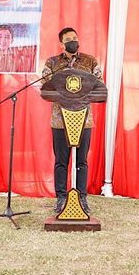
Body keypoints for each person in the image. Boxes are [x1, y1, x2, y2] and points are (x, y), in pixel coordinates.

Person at [41, 27, 103, 214]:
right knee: (61, 160)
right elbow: (45, 87)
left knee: (81, 161)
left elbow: (99, 85)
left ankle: (82, 198)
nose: (73, 41)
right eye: (69, 39)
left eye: (75, 38)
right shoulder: (53, 62)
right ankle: (61, 198)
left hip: (83, 119)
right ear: (62, 43)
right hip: (60, 119)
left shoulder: (90, 61)